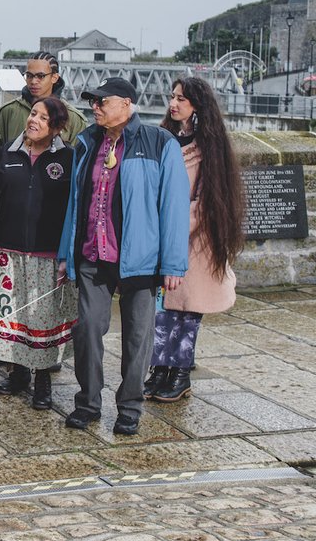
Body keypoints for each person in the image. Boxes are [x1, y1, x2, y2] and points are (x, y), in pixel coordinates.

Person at [56, 76, 190, 436]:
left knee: (138, 338)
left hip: (141, 259)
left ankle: (130, 407)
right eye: (93, 102)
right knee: (86, 329)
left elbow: (174, 207)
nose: (95, 107)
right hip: (92, 255)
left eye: (103, 102)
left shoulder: (160, 143)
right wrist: (66, 251)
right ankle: (88, 402)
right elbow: (75, 202)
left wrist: (174, 263)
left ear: (127, 104)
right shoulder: (86, 143)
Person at [0, 98, 77, 409]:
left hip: (48, 253)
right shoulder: (7, 154)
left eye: (44, 118)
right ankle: (17, 373)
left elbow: (75, 209)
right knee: (11, 313)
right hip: (8, 250)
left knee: (43, 316)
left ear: (56, 127)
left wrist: (68, 253)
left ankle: (43, 378)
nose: (34, 121)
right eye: (33, 114)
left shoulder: (68, 159)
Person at [144, 78, 244, 403]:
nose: (173, 104)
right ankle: (160, 369)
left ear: (197, 106)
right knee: (163, 310)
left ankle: (181, 373)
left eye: (181, 99)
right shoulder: (164, 139)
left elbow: (206, 202)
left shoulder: (208, 147)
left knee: (187, 310)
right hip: (164, 237)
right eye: (172, 97)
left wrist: (168, 228)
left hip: (194, 243)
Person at [0, 52, 87, 151]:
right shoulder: (6, 113)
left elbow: (78, 161)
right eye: (29, 75)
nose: (33, 81)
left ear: (54, 77)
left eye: (40, 76)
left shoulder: (74, 118)